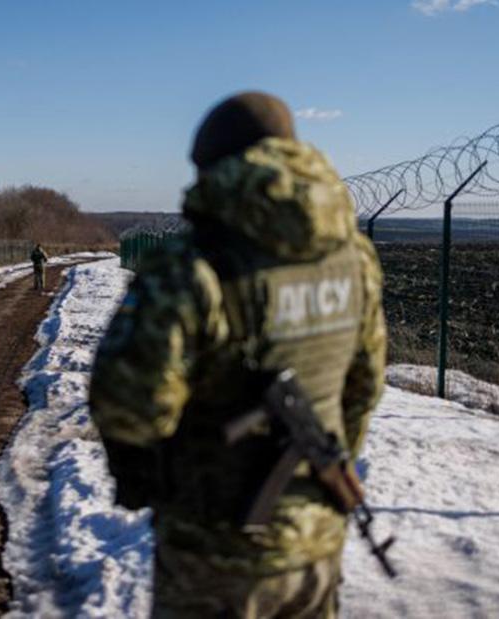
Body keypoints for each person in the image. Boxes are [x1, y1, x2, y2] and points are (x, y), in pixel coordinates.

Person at [88, 92, 386, 618]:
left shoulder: (193, 262)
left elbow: (129, 401)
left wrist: (154, 479)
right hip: (317, 540)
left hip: (213, 551)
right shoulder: (352, 256)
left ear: (213, 167)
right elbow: (364, 384)